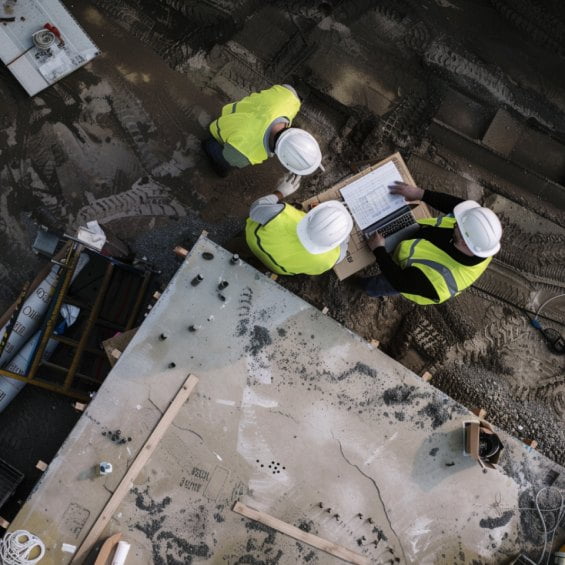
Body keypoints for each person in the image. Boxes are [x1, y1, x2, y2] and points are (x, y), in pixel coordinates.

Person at [357, 181, 503, 305]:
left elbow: (400, 281)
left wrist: (379, 250)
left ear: (465, 243)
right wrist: (421, 194)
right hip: (419, 239)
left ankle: (363, 286)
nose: (455, 222)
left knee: (381, 284)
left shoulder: (438, 283)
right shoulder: (481, 238)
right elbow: (457, 206)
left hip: (407, 281)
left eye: (457, 225)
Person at [202, 84, 323, 178]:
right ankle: (208, 145)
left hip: (233, 114)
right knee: (223, 165)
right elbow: (230, 158)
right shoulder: (246, 153)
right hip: (220, 129)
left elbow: (288, 88)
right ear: (281, 158)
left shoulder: (289, 99)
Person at [245, 175, 353, 276]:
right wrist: (344, 237)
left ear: (312, 214)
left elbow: (256, 209)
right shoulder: (331, 259)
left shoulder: (282, 216)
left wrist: (280, 192)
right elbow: (343, 247)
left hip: (253, 242)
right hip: (279, 269)